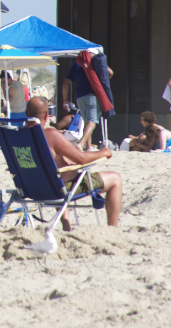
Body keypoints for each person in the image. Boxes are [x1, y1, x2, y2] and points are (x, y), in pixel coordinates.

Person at [25, 96, 123, 230]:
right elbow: (81, 159)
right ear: (47, 115)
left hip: (32, 187)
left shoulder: (18, 136)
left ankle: (66, 222)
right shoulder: (51, 135)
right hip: (59, 189)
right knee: (116, 179)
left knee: (56, 170)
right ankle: (113, 230)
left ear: (26, 114)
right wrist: (104, 152)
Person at [62, 60, 99, 151]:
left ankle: (88, 147)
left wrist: (65, 99)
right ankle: (81, 144)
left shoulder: (75, 65)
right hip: (91, 95)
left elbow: (66, 83)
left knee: (86, 122)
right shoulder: (95, 63)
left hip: (79, 97)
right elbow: (109, 72)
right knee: (92, 122)